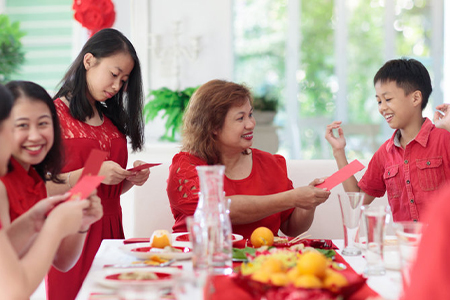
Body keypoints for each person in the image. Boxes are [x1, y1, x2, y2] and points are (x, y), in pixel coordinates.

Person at [45, 28, 151, 300]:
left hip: (112, 227)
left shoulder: (111, 121)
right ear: (89, 61)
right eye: (114, 74)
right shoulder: (53, 115)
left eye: (124, 80)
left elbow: (105, 188)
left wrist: (129, 178)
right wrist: (93, 173)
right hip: (73, 231)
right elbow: (40, 187)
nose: (117, 86)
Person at [167, 79, 330, 239]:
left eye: (250, 114)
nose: (251, 124)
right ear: (214, 126)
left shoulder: (271, 164)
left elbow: (291, 228)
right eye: (240, 118)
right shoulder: (186, 166)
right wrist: (292, 197)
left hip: (261, 262)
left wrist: (308, 204)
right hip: (201, 260)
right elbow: (217, 208)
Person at [325, 58, 450, 222]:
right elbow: (357, 201)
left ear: (415, 98)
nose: (382, 108)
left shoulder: (444, 138)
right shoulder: (384, 153)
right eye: (379, 101)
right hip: (402, 244)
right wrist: (338, 152)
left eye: (388, 99)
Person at [0, 84, 94, 299]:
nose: (34, 136)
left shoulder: (35, 179)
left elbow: (62, 261)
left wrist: (81, 222)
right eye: (20, 126)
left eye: (43, 123)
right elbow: (11, 290)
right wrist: (55, 224)